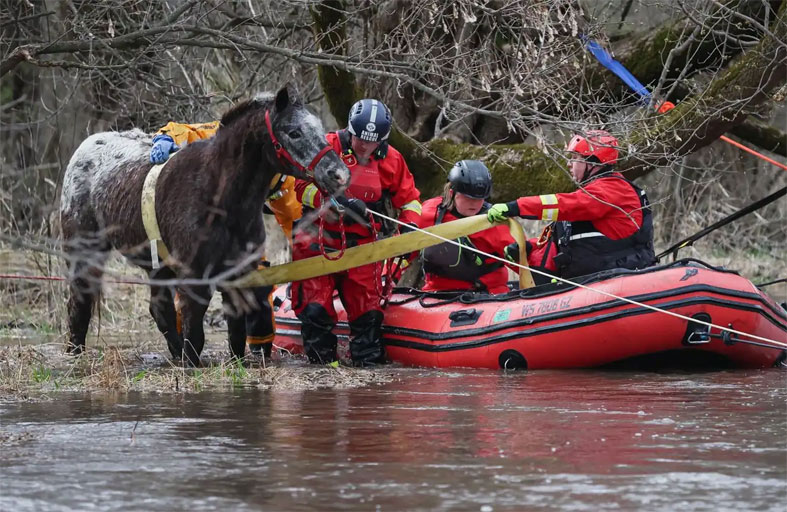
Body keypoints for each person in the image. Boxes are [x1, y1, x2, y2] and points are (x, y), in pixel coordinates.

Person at [150, 121, 302, 357]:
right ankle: (182, 349)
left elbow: (296, 222)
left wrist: (306, 263)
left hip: (242, 237)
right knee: (190, 291)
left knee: (257, 287)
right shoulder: (229, 137)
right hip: (202, 231)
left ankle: (258, 353)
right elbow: (189, 131)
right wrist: (167, 137)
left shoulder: (284, 176)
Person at [292, 99, 422, 366]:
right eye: (360, 138)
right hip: (319, 244)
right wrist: (333, 202)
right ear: (349, 129)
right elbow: (301, 187)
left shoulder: (393, 160)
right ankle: (322, 374)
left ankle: (368, 385)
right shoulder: (325, 146)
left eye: (372, 141)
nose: (364, 145)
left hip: (363, 249)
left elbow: (410, 201)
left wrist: (409, 229)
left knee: (369, 317)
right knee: (315, 311)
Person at [487, 129, 655, 284]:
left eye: (575, 158)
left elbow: (566, 204)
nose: (569, 164)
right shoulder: (594, 192)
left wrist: (516, 207)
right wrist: (528, 247)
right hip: (588, 283)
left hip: (618, 280)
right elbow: (556, 238)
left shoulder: (610, 190)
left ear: (593, 163)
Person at [418, 160, 516, 294]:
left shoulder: (496, 221)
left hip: (488, 294)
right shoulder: (430, 212)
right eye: (468, 198)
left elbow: (523, 261)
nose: (475, 203)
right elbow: (402, 250)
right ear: (452, 193)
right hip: (437, 292)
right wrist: (389, 278)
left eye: (480, 198)